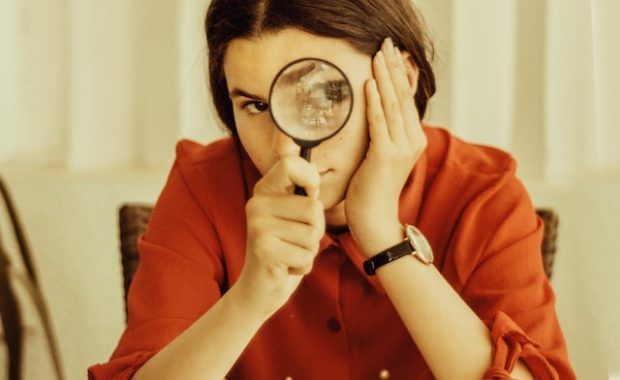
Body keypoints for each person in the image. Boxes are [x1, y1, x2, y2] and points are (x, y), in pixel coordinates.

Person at [89, 0, 576, 379]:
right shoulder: (204, 184)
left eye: (323, 93)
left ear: (400, 80)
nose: (285, 144)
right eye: (256, 106)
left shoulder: (481, 192)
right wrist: (252, 295)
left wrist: (383, 236)